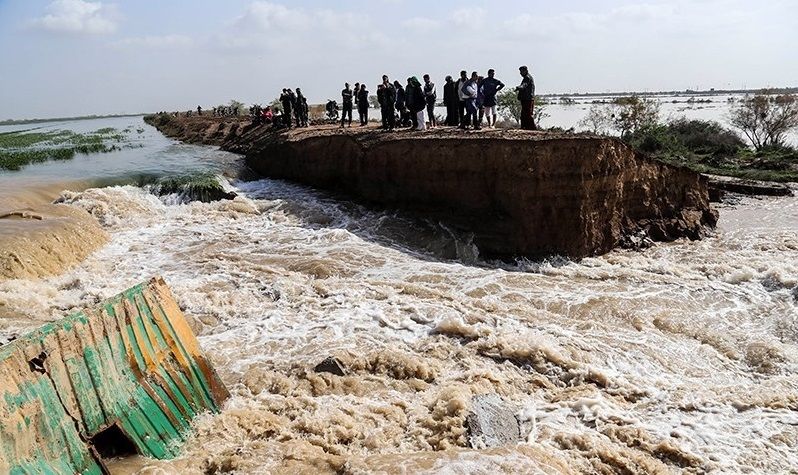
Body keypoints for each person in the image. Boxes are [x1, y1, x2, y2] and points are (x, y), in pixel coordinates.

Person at [516, 65, 536, 130]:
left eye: (521, 72)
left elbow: (524, 85)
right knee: (524, 113)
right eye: (520, 72)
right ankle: (524, 127)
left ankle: (532, 128)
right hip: (526, 99)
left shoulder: (527, 78)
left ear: (526, 71)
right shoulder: (526, 78)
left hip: (528, 99)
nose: (520, 73)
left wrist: (519, 87)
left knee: (528, 113)